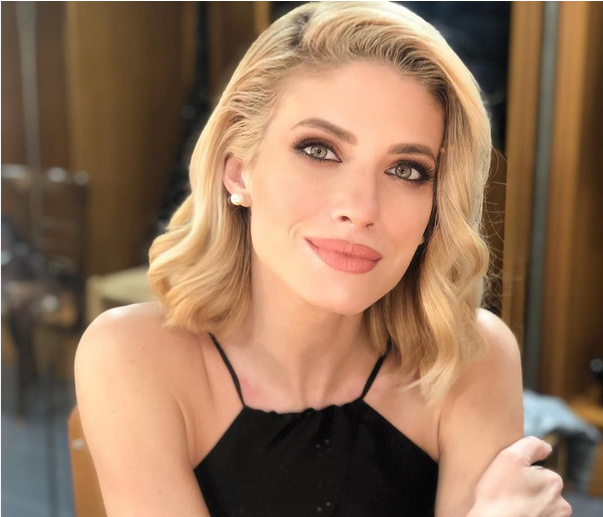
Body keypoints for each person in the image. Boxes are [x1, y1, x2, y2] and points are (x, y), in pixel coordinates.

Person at [74, 2, 572, 516]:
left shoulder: (470, 356)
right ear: (238, 169)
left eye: (406, 170)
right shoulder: (132, 355)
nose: (361, 209)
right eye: (319, 150)